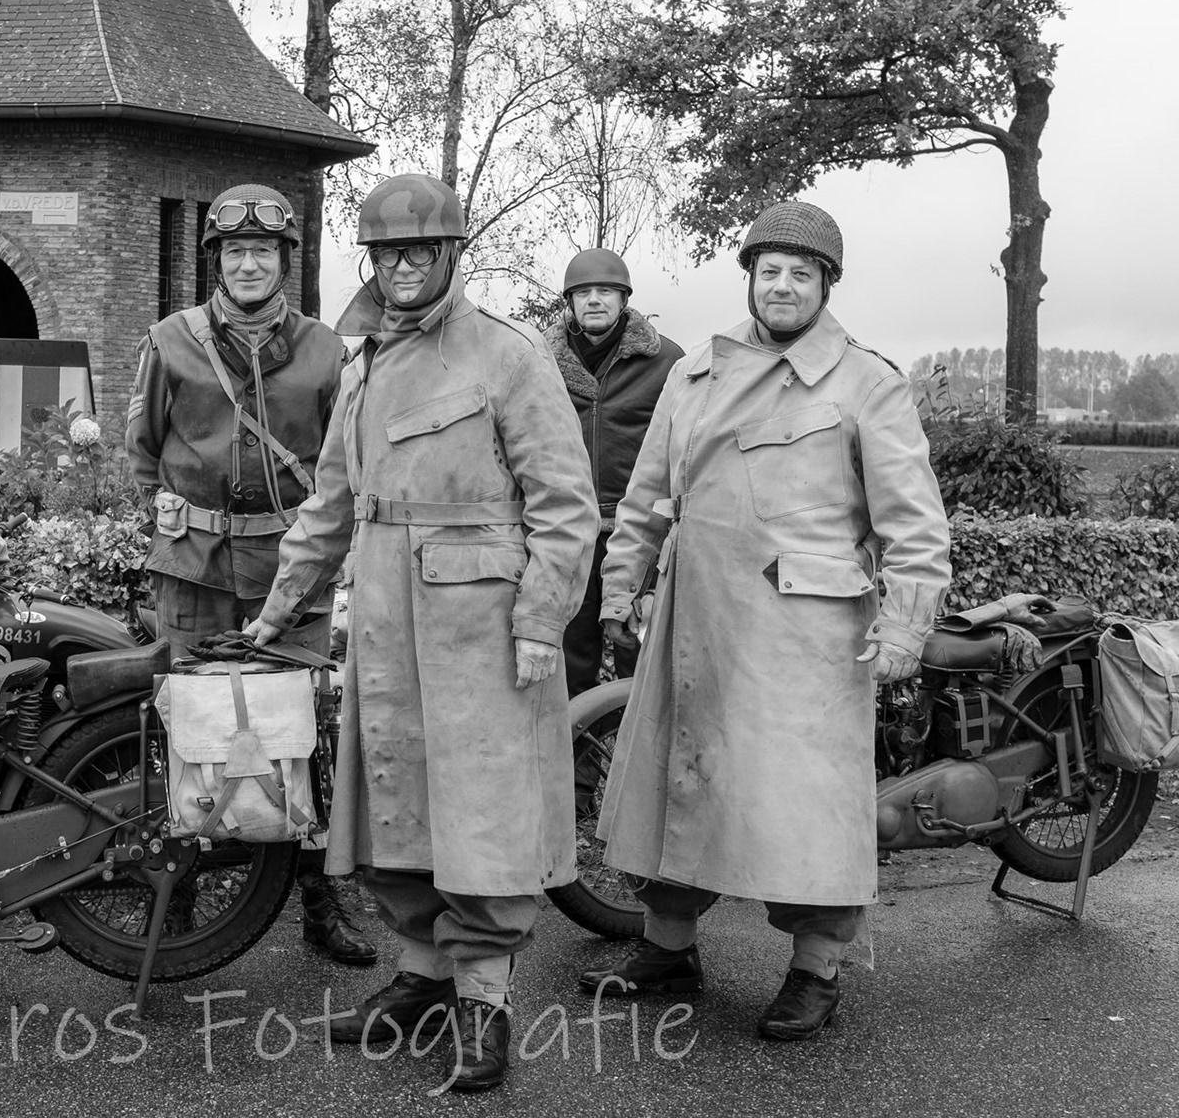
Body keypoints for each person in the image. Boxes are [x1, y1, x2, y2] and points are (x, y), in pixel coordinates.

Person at [243, 173, 597, 1092]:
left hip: (483, 626)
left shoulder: (509, 356)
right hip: (388, 624)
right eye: (387, 253)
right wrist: (278, 612)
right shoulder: (361, 365)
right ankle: (422, 976)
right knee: (391, 801)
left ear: (450, 254)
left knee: (483, 812)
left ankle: (485, 997)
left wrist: (541, 621)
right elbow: (330, 504)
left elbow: (565, 507)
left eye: (419, 252)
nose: (401, 268)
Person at [580, 200, 950, 1042]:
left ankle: (816, 968)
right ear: (749, 278)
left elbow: (915, 528)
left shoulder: (869, 383)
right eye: (769, 270)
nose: (783, 286)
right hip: (695, 620)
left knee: (807, 807)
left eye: (802, 273)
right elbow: (645, 497)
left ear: (826, 285)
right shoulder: (695, 373)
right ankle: (667, 945)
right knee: (678, 780)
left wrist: (903, 629)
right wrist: (619, 585)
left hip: (807, 637)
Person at [125, 183, 375, 967]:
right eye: (234, 252)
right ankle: (183, 896)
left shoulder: (327, 353)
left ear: (286, 261)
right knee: (189, 728)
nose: (249, 265)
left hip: (289, 574)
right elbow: (140, 454)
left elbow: (345, 466)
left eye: (263, 252)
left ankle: (317, 900)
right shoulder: (171, 342)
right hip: (192, 572)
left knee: (302, 735)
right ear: (217, 262)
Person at [541, 247, 684, 696]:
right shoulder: (540, 362)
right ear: (570, 301)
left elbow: (684, 446)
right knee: (569, 657)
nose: (594, 300)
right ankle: (575, 761)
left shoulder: (667, 363)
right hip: (569, 526)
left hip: (640, 530)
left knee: (640, 655)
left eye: (606, 291)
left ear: (625, 299)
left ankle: (638, 758)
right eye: (583, 292)